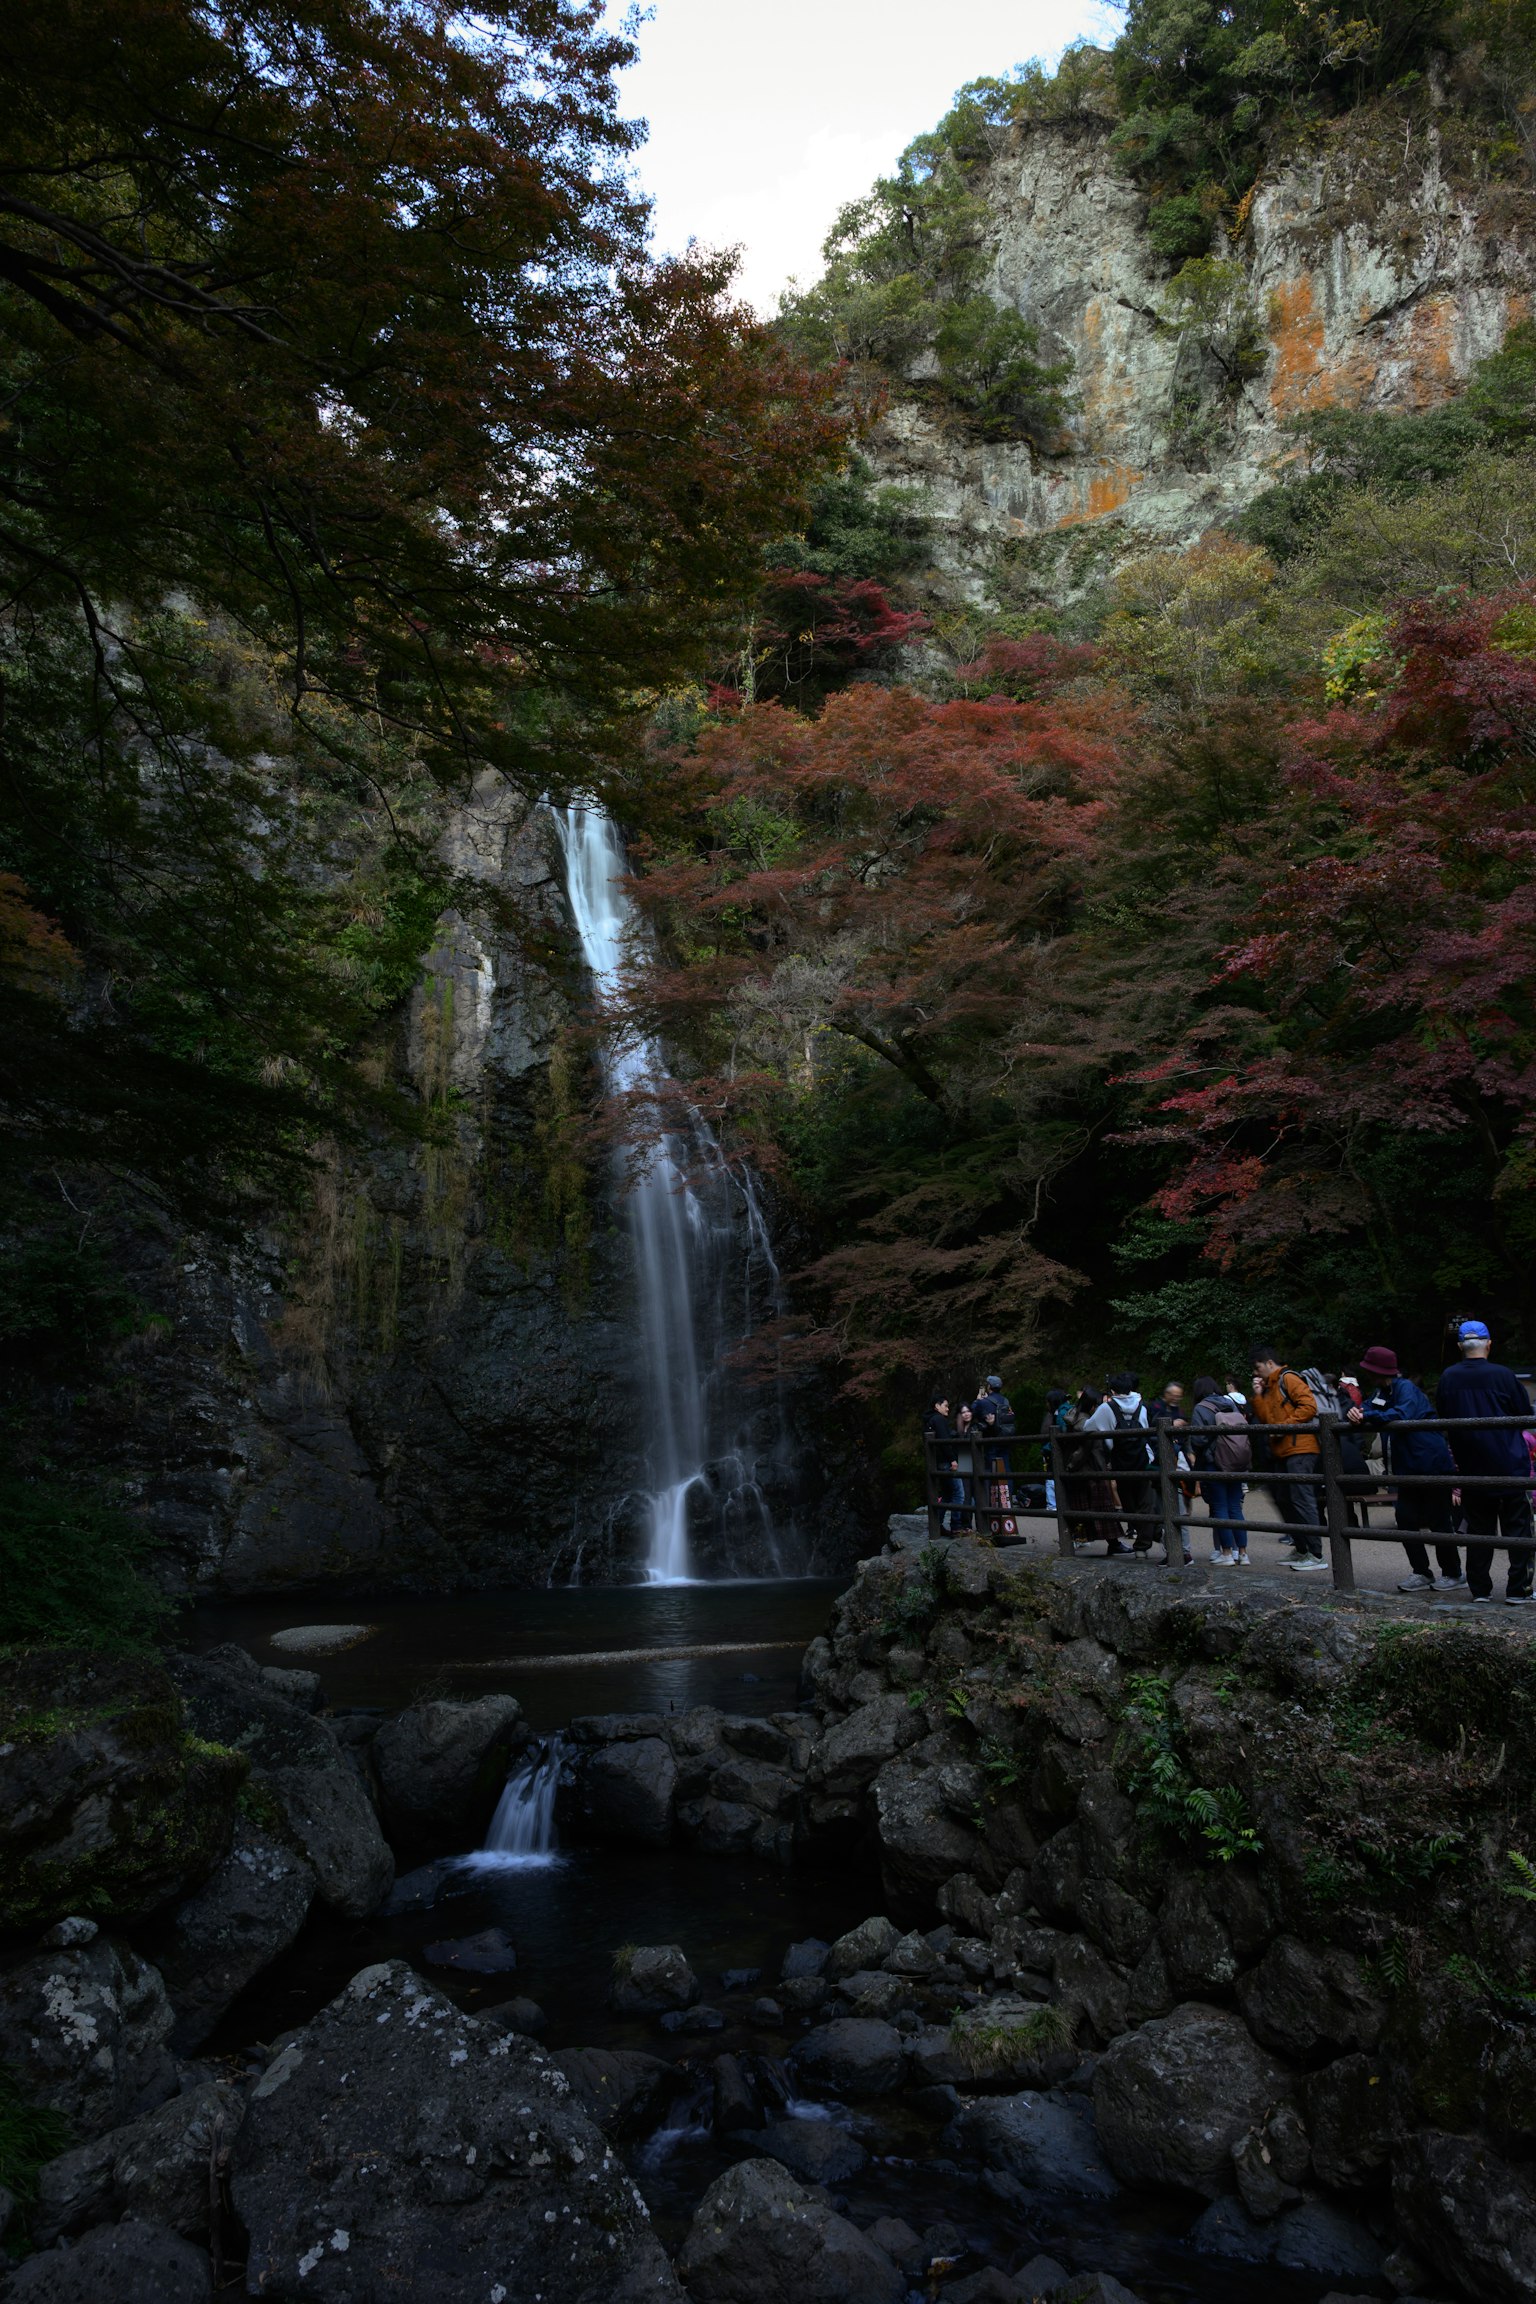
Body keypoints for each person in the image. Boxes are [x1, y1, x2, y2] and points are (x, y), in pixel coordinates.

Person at [1349, 1346, 1463, 1592]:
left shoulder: (1406, 1389)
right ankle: (1421, 1572)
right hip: (1407, 1465)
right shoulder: (1382, 1391)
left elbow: (1400, 1414)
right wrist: (1359, 1412)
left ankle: (1453, 1573)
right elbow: (1370, 1407)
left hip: (1431, 1463)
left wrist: (1368, 1416)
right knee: (1405, 1517)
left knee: (1438, 1519)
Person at [1437, 1321, 1534, 1607]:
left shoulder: (1448, 1378)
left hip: (1471, 1465)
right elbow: (1524, 1413)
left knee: (1479, 1530)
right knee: (1519, 1529)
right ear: (1489, 1343)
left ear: (1459, 1347)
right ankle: (1519, 1589)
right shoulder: (1503, 1375)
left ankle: (1480, 1589)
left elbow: (1443, 1414)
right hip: (1509, 1463)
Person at [1251, 1349, 1327, 1570]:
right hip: (1282, 1451)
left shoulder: (1288, 1378)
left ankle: (1316, 1554)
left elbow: (1309, 1406)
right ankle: (1301, 1548)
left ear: (1269, 1362)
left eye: (1258, 1368)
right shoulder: (1270, 1387)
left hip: (1300, 1448)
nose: (1256, 1373)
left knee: (1302, 1499)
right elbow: (1266, 1420)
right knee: (1284, 1499)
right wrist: (1257, 1395)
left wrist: (1286, 1426)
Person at [1087, 1373, 1161, 1554]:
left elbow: (1088, 1427)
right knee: (1145, 1504)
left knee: (1128, 1506)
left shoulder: (1107, 1408)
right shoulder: (1142, 1406)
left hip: (1121, 1463)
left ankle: (1148, 1540)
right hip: (1143, 1460)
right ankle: (1149, 1541)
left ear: (1112, 1390)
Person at [1189, 1374, 1251, 1563]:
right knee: (1235, 1507)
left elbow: (1198, 1440)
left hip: (1214, 1463)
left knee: (1220, 1507)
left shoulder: (1200, 1408)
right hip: (1236, 1462)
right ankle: (1242, 1553)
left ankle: (1226, 1553)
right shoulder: (1229, 1402)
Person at [1063, 1386, 1123, 1552]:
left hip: (1081, 1471)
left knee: (1081, 1509)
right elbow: (1084, 1450)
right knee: (1103, 1508)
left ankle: (1071, 1541)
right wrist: (1072, 1466)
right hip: (1091, 1469)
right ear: (1092, 1406)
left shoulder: (1075, 1416)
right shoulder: (1086, 1422)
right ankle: (1114, 1544)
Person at [968, 1374, 1017, 1540]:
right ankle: (1007, 1500)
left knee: (988, 1472)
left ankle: (989, 1505)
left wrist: (977, 1399)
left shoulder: (983, 1402)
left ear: (989, 1387)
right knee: (1006, 1469)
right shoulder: (1006, 1401)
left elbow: (972, 1412)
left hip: (990, 1443)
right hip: (1005, 1440)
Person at [923, 1394, 967, 1537]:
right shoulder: (938, 1419)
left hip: (937, 1462)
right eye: (945, 1406)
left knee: (948, 1495)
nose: (948, 1409)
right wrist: (953, 1460)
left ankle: (937, 1523)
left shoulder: (929, 1419)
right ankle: (956, 1527)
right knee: (959, 1493)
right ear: (937, 1406)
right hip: (945, 1462)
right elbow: (944, 1441)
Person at [1041, 1387, 1072, 1514]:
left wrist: (1047, 1448)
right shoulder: (1062, 1411)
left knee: (1052, 1476)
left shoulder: (1060, 1413)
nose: (1046, 1405)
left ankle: (1053, 1504)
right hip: (1063, 1450)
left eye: (1048, 1402)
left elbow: (1063, 1434)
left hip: (1061, 1451)